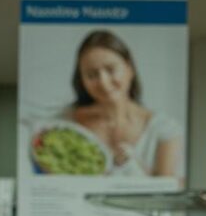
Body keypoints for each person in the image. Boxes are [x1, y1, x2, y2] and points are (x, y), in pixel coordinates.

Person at [67, 30, 183, 179]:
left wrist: (133, 167)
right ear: (81, 80)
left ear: (129, 68)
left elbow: (168, 194)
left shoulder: (165, 129)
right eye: (91, 74)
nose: (103, 82)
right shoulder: (66, 122)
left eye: (110, 69)